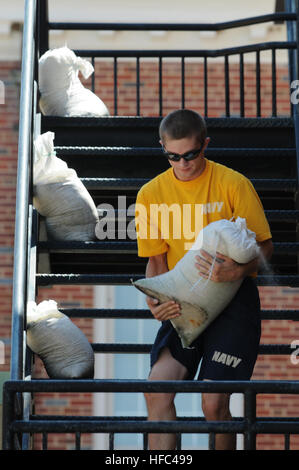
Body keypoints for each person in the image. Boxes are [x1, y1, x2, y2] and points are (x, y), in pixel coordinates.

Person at [135, 109, 273, 451]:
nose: (182, 163)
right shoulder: (150, 195)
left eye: (190, 155)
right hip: (185, 303)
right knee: (157, 388)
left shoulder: (233, 184)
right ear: (163, 149)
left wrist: (239, 271)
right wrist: (154, 295)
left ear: (205, 145)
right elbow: (156, 261)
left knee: (212, 403)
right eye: (173, 156)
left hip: (234, 302)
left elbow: (267, 247)